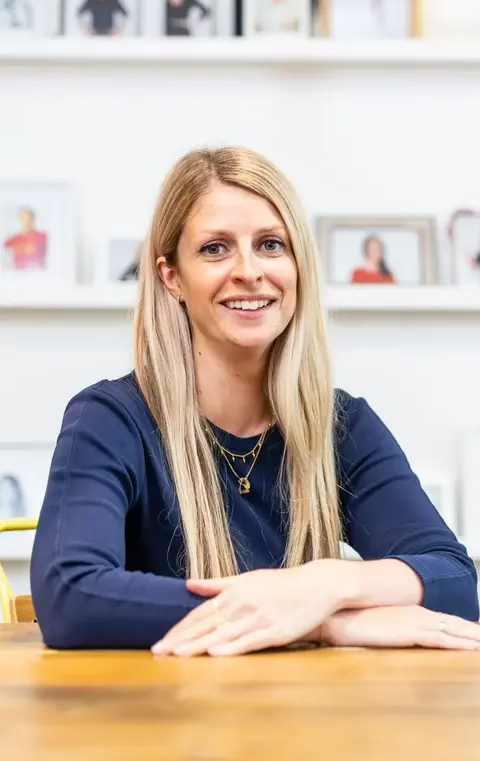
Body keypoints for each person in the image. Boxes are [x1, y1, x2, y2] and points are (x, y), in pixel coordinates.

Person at [31, 147, 479, 654]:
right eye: (215, 249)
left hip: (306, 722)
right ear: (170, 277)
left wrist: (322, 587)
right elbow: (70, 596)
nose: (249, 270)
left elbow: (455, 583)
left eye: (270, 244)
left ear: (297, 266)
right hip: (156, 720)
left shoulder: (342, 425)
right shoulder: (110, 420)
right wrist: (314, 623)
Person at [3, 207, 48, 271]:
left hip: (38, 274)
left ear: (33, 219)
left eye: (27, 218)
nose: (25, 221)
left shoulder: (43, 237)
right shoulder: (13, 239)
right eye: (22, 218)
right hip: (17, 275)